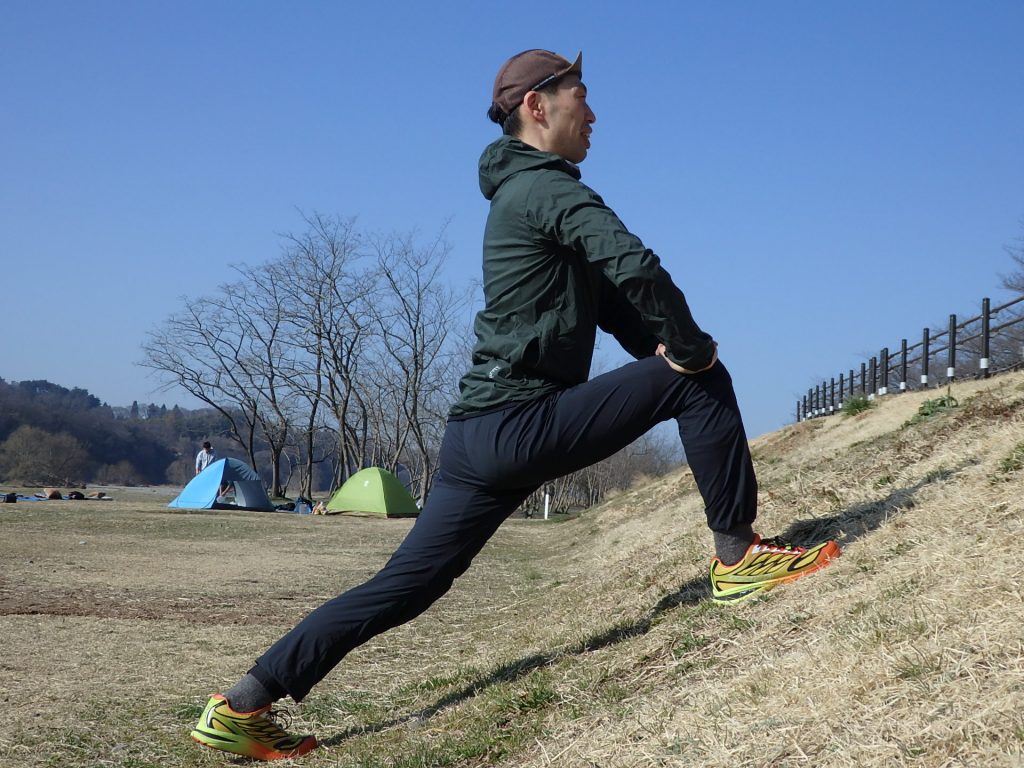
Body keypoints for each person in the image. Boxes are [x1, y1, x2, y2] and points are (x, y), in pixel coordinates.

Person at [190, 49, 841, 761]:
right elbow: (637, 264)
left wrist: (658, 346)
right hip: (518, 424)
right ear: (538, 106)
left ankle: (242, 702)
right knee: (699, 376)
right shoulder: (546, 187)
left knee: (408, 585)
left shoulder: (524, 194)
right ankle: (739, 554)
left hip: (479, 435)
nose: (593, 115)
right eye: (581, 99)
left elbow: (617, 303)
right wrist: (689, 349)